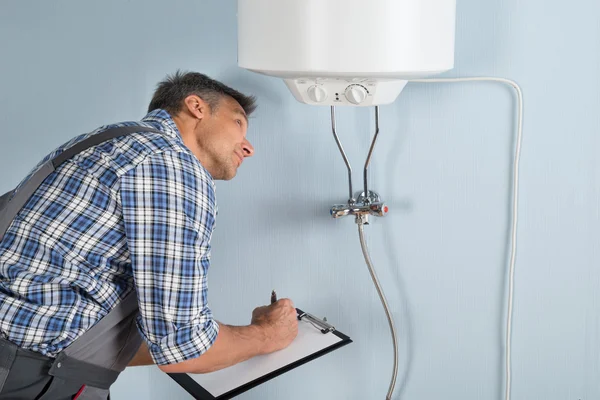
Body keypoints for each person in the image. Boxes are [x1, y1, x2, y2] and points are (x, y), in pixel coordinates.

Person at [0, 71, 298, 399]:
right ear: (196, 106)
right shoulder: (172, 164)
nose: (249, 146)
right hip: (30, 377)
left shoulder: (102, 142)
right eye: (238, 122)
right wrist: (268, 335)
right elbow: (183, 347)